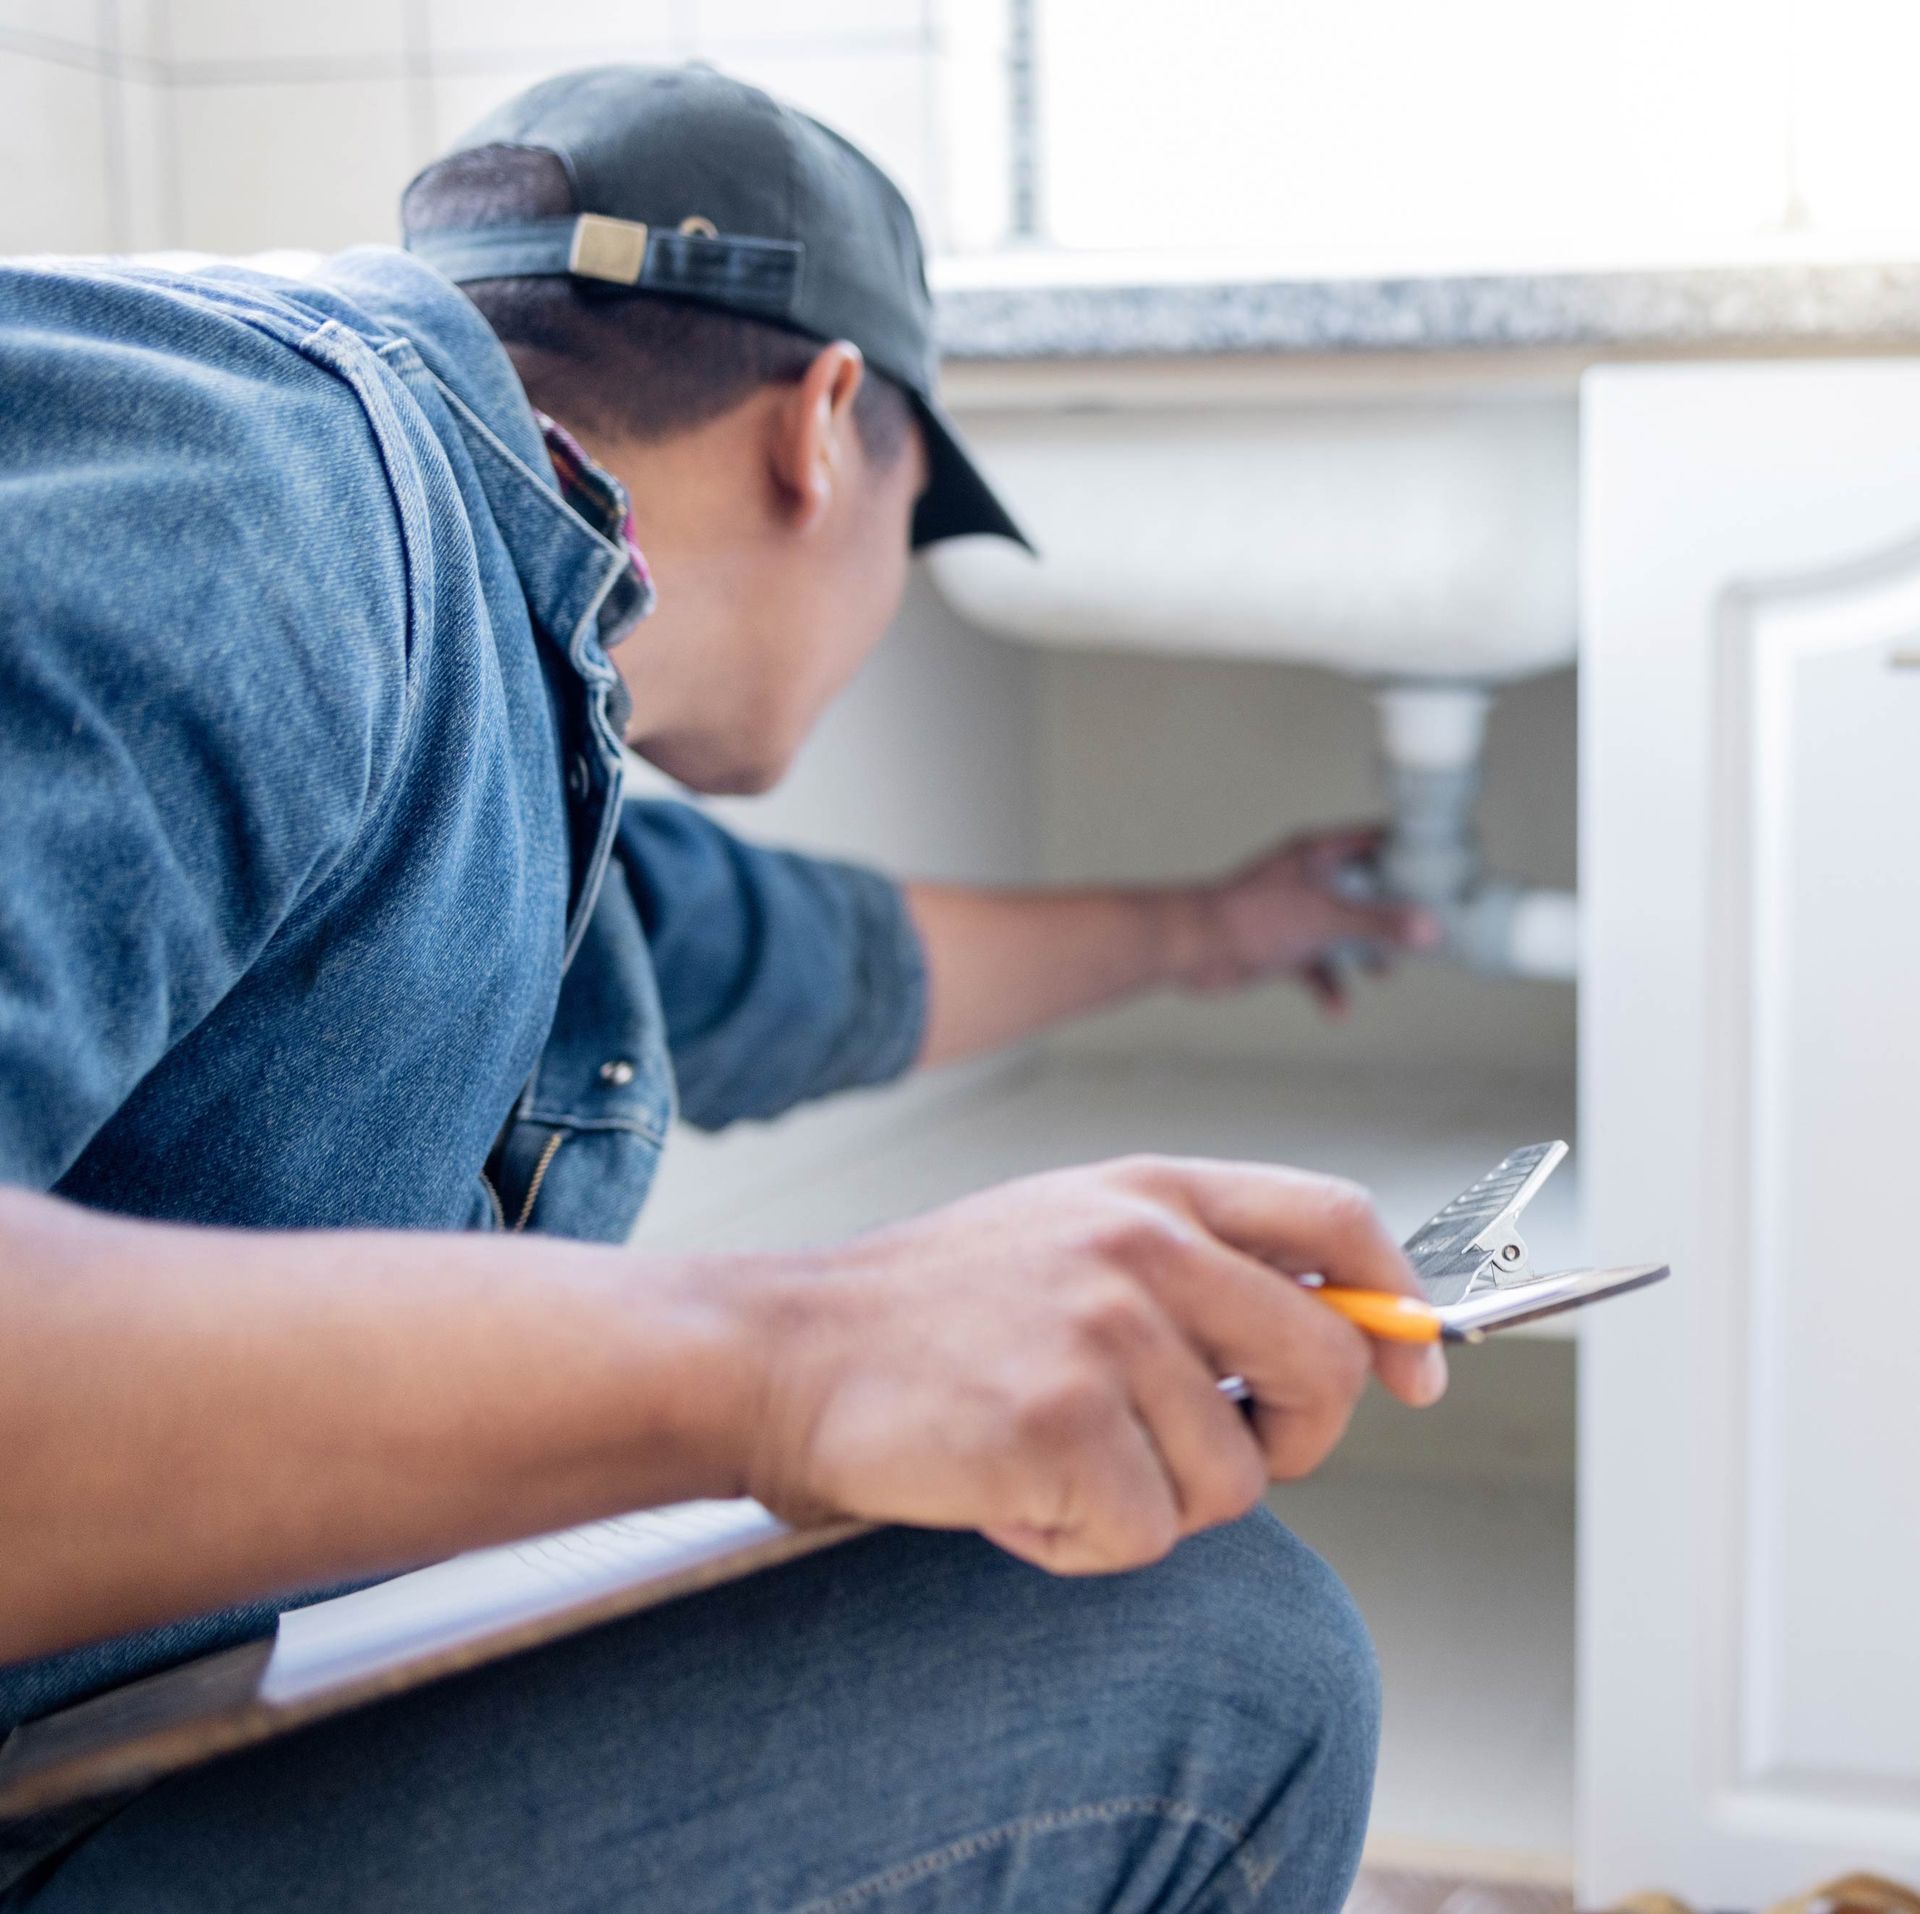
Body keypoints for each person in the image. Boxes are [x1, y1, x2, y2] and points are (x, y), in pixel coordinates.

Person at [0, 64, 1444, 1913]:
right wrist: (798, 1358)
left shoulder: (507, 731)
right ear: (829, 426)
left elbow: (827, 967)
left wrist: (1208, 931)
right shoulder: (272, 484)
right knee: (1222, 1665)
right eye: (917, 532)